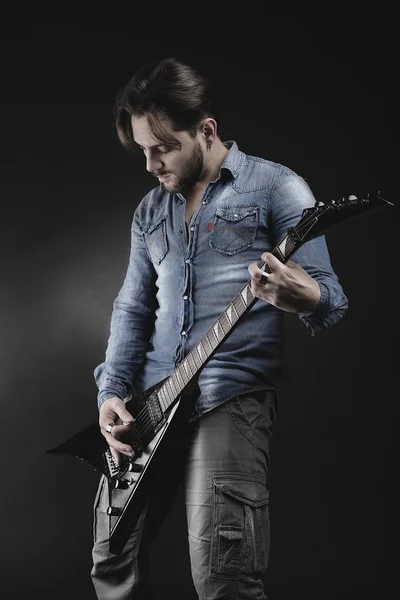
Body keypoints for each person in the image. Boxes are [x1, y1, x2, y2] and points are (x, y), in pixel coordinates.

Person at [91, 56, 348, 599]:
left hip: (229, 398)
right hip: (148, 403)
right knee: (112, 563)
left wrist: (304, 297)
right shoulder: (149, 211)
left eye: (162, 148)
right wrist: (112, 394)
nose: (151, 164)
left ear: (205, 131)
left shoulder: (279, 188)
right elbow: (132, 309)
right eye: (143, 150)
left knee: (223, 575)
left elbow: (332, 298)